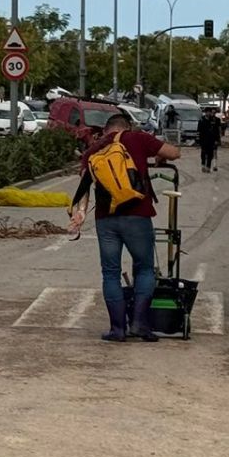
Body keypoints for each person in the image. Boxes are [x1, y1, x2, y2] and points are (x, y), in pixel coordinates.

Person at [68, 113, 182, 342]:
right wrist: (158, 157)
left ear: (106, 129)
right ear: (126, 127)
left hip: (105, 219)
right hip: (137, 216)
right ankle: (139, 324)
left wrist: (80, 214)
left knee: (110, 272)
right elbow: (174, 153)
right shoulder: (137, 138)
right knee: (145, 269)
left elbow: (84, 185)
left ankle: (117, 329)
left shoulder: (93, 150)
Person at [196, 105, 223, 174]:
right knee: (203, 153)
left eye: (209, 112)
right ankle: (203, 165)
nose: (208, 113)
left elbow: (216, 131)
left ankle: (208, 166)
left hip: (212, 140)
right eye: (207, 112)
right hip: (203, 139)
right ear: (205, 112)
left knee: (210, 154)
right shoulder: (201, 120)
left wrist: (217, 139)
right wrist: (198, 141)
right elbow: (198, 131)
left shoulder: (213, 121)